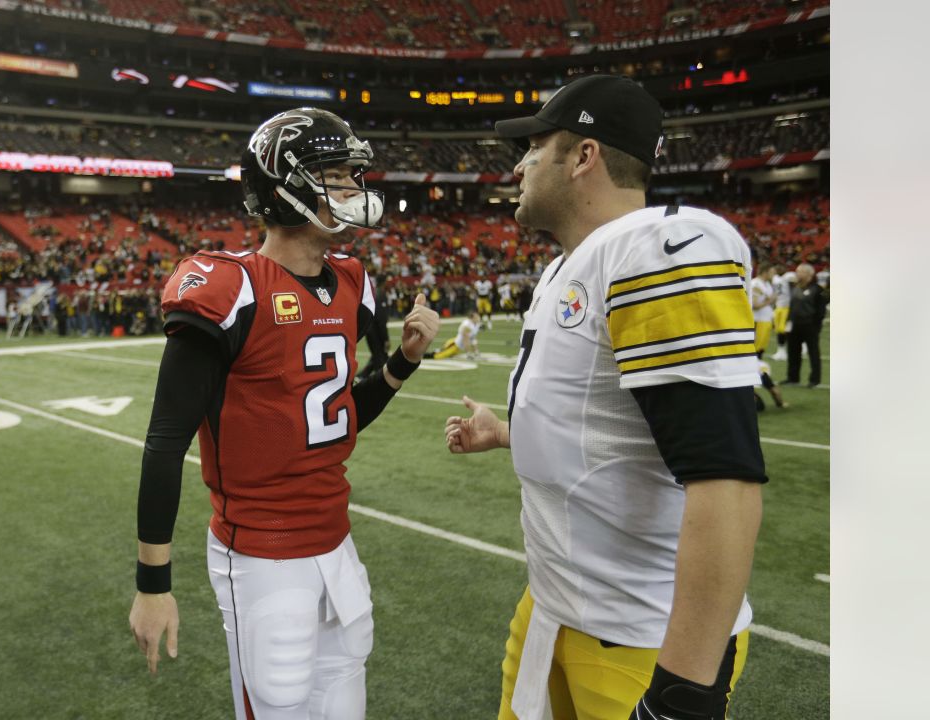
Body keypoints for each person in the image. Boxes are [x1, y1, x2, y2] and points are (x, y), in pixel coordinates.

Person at [445, 75, 766, 720]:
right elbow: (604, 427)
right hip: (553, 605)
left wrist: (684, 693)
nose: (519, 165)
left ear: (583, 156)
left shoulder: (657, 250)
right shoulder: (570, 266)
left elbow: (724, 477)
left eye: (534, 149)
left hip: (637, 635)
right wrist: (508, 432)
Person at [128, 107, 440, 720]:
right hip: (262, 555)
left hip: (337, 544)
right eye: (339, 176)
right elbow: (165, 443)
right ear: (286, 187)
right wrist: (152, 585)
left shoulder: (350, 279)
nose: (353, 191)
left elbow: (336, 416)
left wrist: (401, 364)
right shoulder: (229, 287)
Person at [783, 263, 828, 387]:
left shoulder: (817, 289)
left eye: (800, 271)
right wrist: (788, 323)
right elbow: (791, 307)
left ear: (809, 274)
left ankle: (814, 379)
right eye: (797, 271)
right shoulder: (794, 287)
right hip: (794, 325)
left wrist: (816, 327)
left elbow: (821, 311)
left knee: (813, 353)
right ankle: (792, 378)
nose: (797, 274)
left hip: (809, 325)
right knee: (793, 352)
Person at [749, 264, 787, 410]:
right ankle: (757, 380)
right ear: (765, 271)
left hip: (764, 322)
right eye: (772, 271)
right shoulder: (756, 284)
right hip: (757, 322)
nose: (774, 273)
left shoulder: (766, 284)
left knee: (760, 353)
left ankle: (757, 379)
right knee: (755, 354)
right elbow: (756, 305)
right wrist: (772, 299)